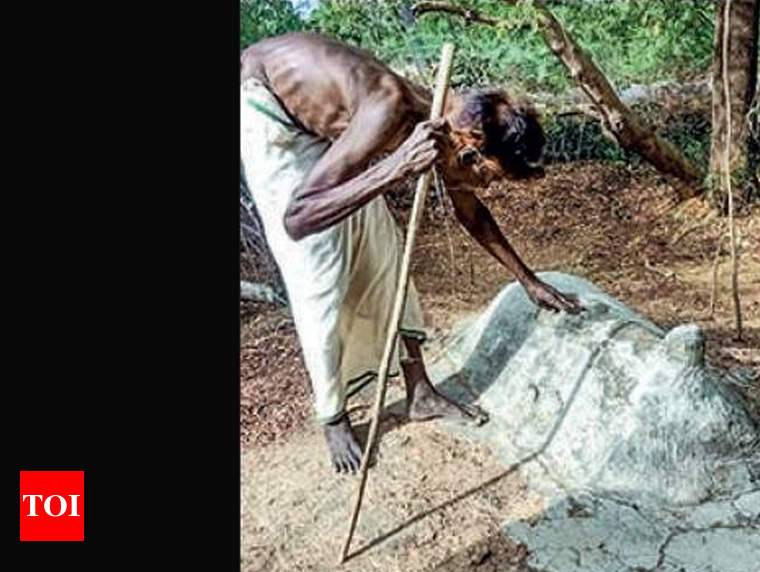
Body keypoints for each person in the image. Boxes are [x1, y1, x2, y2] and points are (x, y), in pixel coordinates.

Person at [240, 32, 582, 474]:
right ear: (472, 150)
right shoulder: (388, 110)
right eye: (490, 178)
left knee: (385, 251)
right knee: (318, 270)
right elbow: (299, 218)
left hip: (325, 128)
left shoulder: (450, 132)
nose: (484, 187)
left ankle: (419, 391)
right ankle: (334, 417)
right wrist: (395, 168)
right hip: (269, 107)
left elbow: (472, 215)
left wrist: (528, 280)